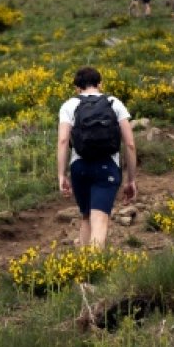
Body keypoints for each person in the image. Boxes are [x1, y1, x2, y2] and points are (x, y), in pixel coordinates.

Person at [56, 67, 138, 248]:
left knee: (86, 216)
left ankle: (84, 268)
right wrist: (131, 180)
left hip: (79, 167)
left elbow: (63, 140)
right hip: (107, 166)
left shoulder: (69, 105)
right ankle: (93, 270)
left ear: (77, 88)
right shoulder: (114, 103)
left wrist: (62, 175)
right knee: (100, 219)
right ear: (100, 84)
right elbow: (130, 144)